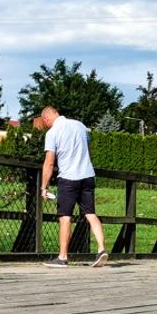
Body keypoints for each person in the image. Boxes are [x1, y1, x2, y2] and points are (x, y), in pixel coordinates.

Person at [40, 105, 108, 267]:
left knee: (65, 217)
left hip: (68, 178)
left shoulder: (52, 133)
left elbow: (49, 163)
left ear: (47, 118)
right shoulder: (80, 126)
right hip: (87, 175)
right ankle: (102, 249)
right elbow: (89, 151)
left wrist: (44, 187)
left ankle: (62, 257)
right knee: (91, 213)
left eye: (45, 122)